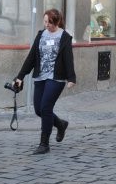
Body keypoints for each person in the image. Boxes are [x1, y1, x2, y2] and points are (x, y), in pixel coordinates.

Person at [15, 9, 75, 154]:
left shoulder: (64, 37)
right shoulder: (41, 35)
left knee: (46, 107)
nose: (47, 25)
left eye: (50, 22)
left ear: (57, 22)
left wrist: (71, 78)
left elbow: (68, 58)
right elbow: (31, 57)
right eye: (45, 21)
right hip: (40, 76)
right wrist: (20, 76)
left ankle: (44, 143)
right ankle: (60, 124)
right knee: (38, 109)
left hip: (56, 78)